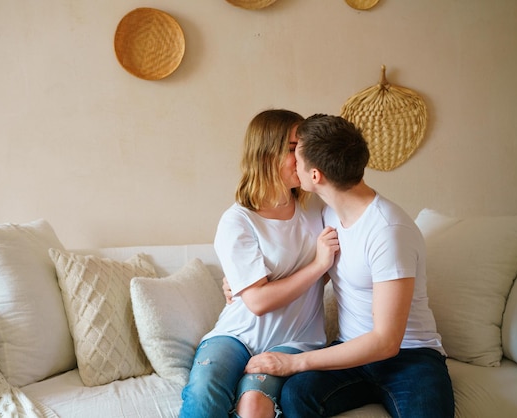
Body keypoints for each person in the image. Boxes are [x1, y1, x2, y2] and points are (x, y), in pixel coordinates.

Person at [244, 114, 455, 418]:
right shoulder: (324, 213)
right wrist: (242, 283)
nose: (292, 163)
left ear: (315, 175)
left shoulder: (388, 230)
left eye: (295, 154)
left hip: (411, 356)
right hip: (350, 352)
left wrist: (296, 362)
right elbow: (286, 259)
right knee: (296, 396)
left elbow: (386, 342)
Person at [179, 109, 339, 418]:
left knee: (254, 405)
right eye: (294, 149)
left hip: (297, 340)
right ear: (267, 153)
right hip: (236, 335)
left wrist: (324, 269)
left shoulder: (317, 206)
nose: (305, 157)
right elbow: (257, 301)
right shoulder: (238, 220)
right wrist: (318, 266)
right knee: (204, 391)